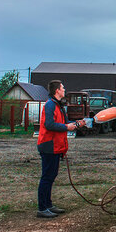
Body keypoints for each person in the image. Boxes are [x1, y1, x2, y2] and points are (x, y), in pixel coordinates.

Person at [36, 80, 85, 218]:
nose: (64, 89)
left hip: (55, 146)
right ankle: (42, 208)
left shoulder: (58, 105)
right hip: (48, 145)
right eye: (63, 87)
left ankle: (48, 205)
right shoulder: (50, 105)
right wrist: (66, 127)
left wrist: (77, 123)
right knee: (47, 177)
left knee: (51, 176)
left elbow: (63, 123)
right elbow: (49, 124)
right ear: (57, 90)